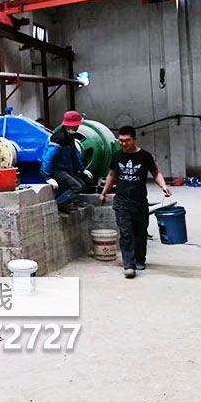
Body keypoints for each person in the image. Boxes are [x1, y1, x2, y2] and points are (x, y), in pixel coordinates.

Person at [99, 125, 171, 279]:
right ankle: (129, 265)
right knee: (126, 233)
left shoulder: (145, 156)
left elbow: (156, 173)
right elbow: (112, 175)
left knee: (140, 233)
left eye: (127, 140)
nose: (123, 143)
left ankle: (139, 260)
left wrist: (163, 186)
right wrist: (104, 192)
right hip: (122, 202)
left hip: (140, 202)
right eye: (121, 141)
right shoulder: (117, 156)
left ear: (134, 139)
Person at [41, 111, 94, 212]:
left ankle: (66, 204)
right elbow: (48, 158)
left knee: (82, 184)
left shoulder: (70, 138)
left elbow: (75, 156)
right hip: (57, 170)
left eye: (75, 126)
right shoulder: (58, 138)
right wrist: (47, 177)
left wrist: (82, 169)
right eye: (72, 126)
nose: (74, 128)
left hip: (66, 168)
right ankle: (57, 205)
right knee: (77, 186)